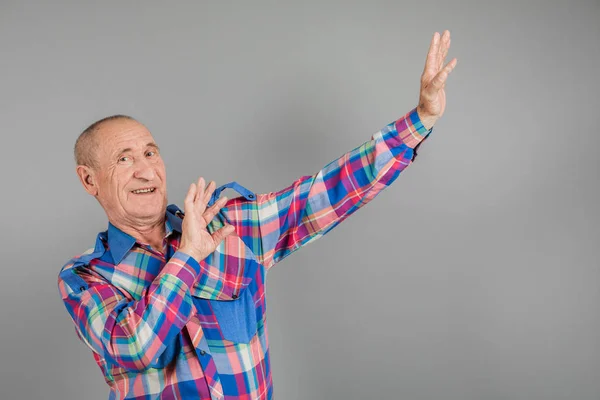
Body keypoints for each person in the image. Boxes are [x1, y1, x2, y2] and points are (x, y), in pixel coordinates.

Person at [58, 31, 457, 400]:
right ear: (89, 180)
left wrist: (420, 120)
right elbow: (135, 347)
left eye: (150, 153)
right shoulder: (84, 277)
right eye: (123, 159)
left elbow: (324, 193)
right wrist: (189, 256)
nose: (145, 170)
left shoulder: (230, 227)